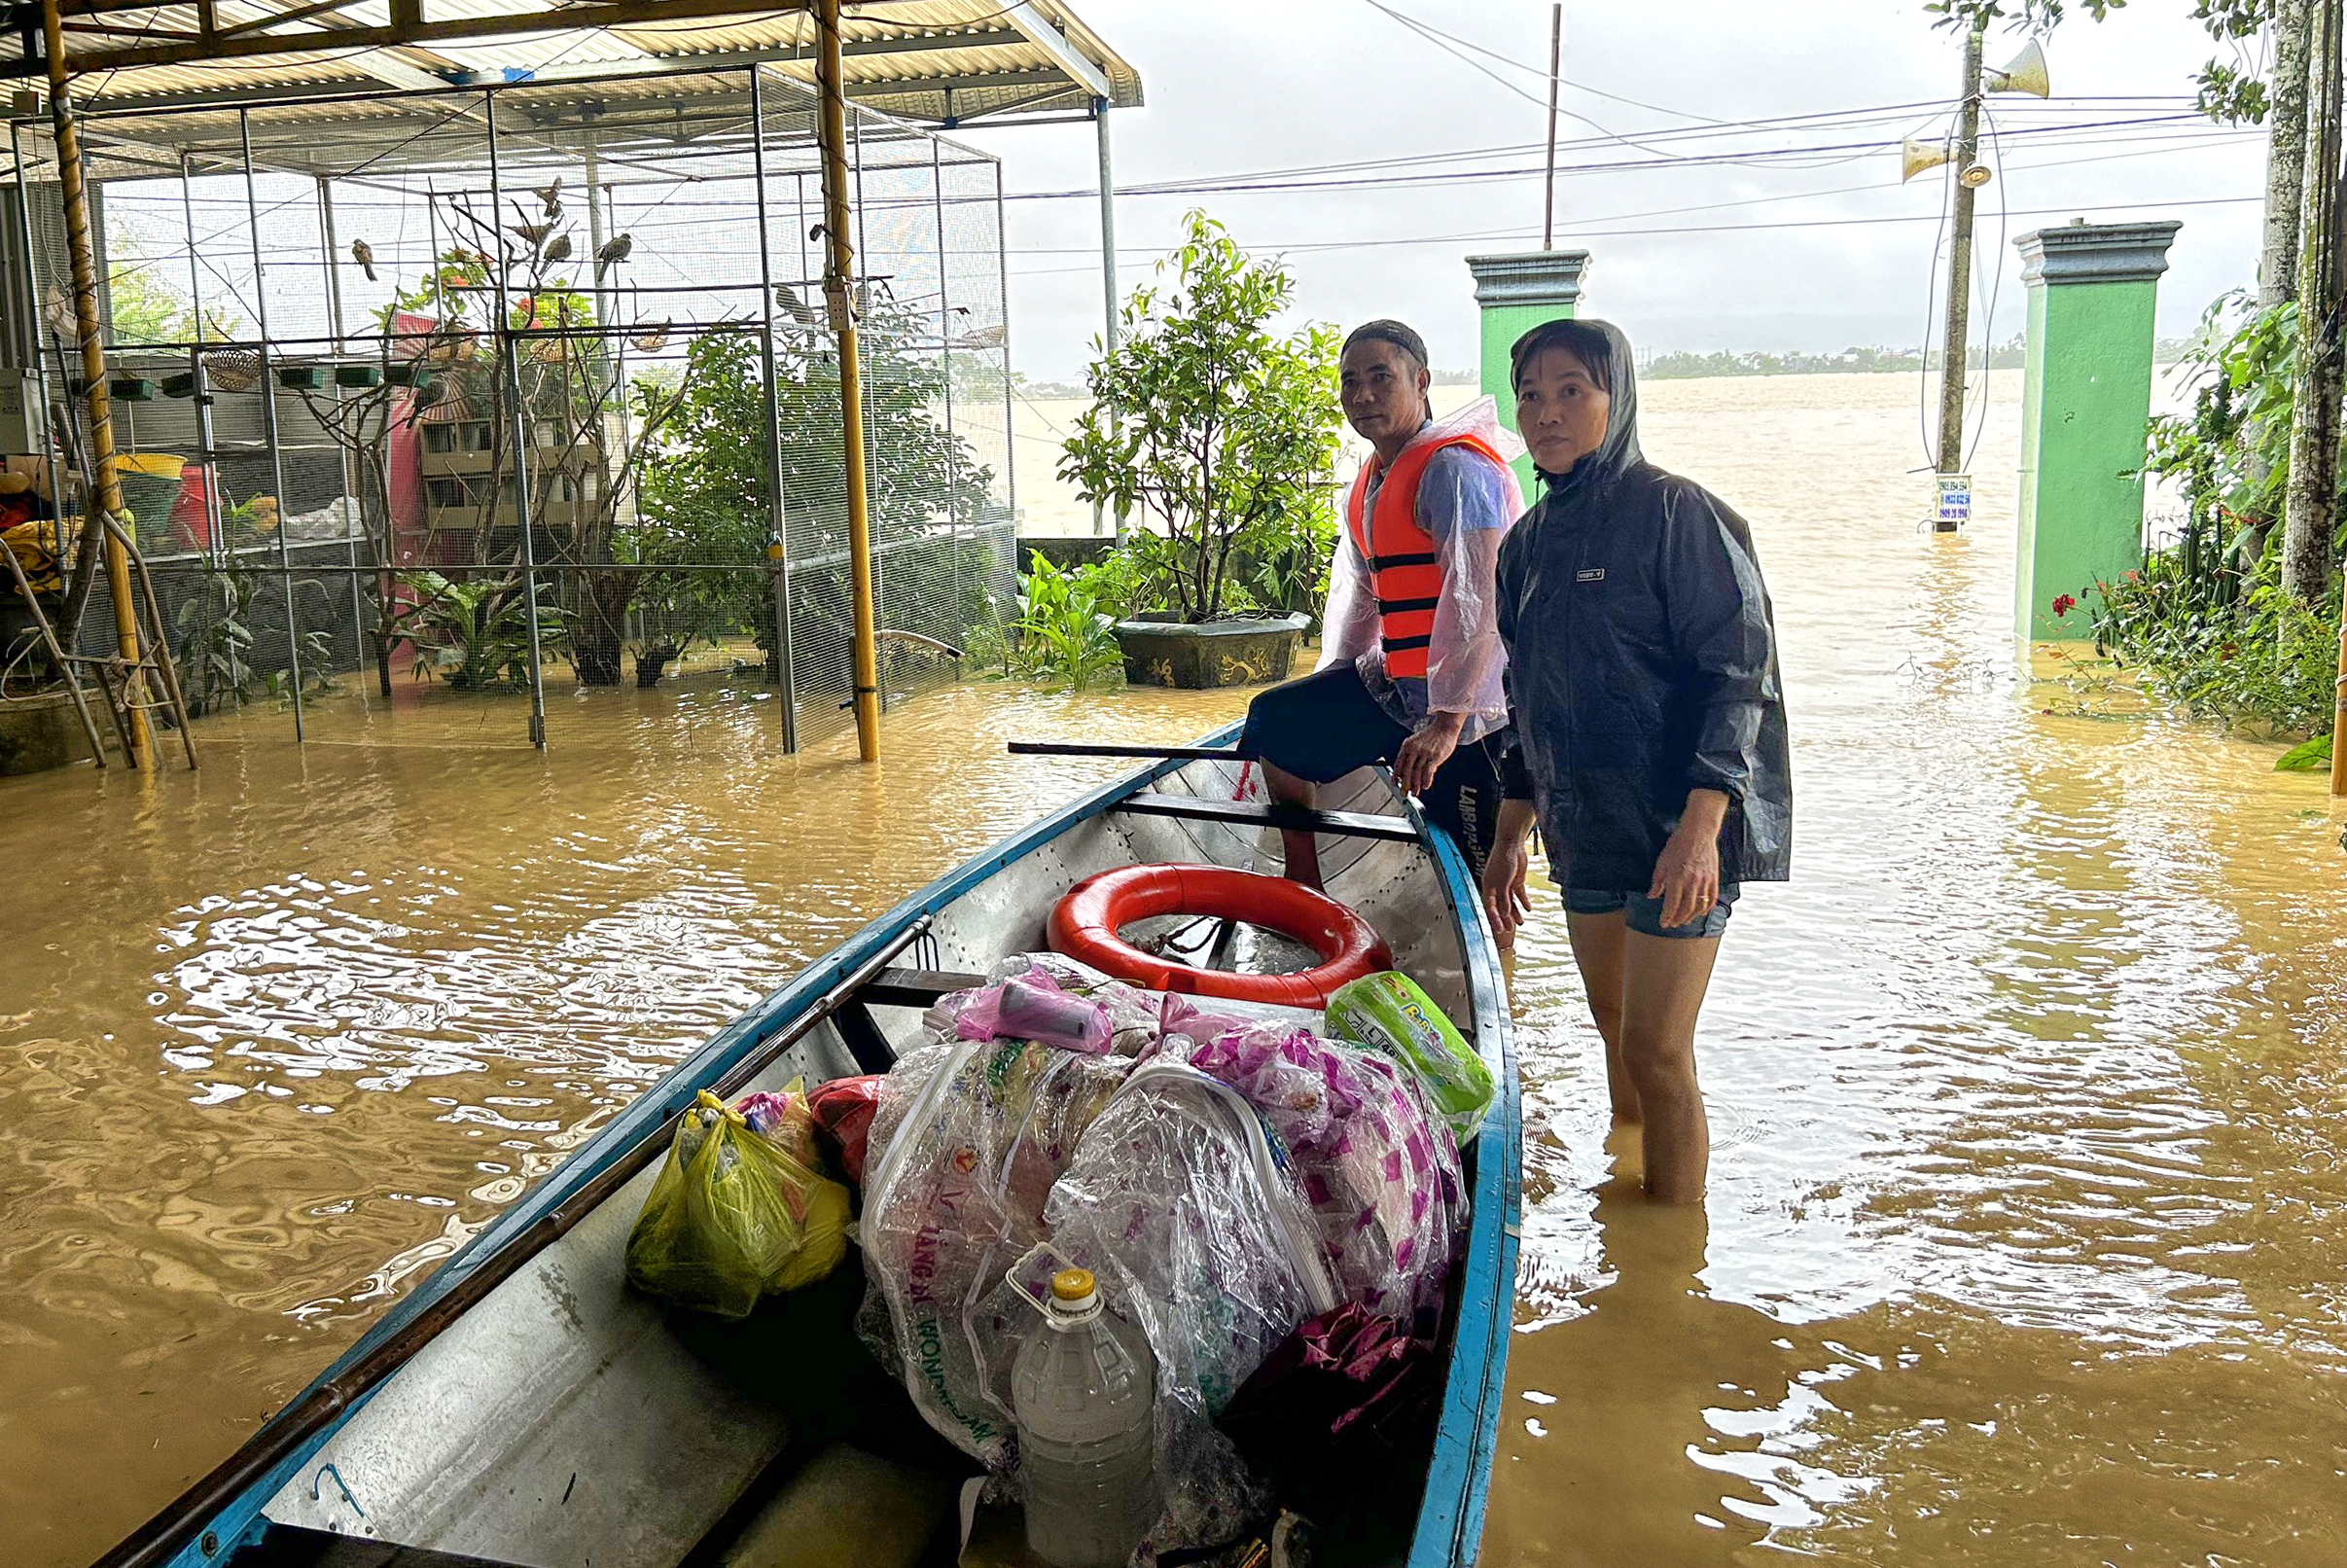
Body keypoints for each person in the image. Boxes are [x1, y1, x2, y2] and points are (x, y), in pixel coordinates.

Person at [1481, 317, 1791, 1203]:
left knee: (1658, 1049)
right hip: (1584, 824)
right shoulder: (1526, 547)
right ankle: (1627, 1199)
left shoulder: (1677, 513)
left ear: (1614, 401)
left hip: (1677, 823)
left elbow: (1739, 677)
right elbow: (1524, 700)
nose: (1546, 413)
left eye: (1571, 390)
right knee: (1613, 1026)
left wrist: (1700, 833)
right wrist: (1510, 838)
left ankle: (1671, 1262)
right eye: (1531, 395)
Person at [1235, 318, 1524, 889]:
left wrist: (1446, 723)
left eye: (1379, 378)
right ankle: (1304, 885)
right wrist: (1336, 679)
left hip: (1477, 715)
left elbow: (1480, 604)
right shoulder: (1371, 480)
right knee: (1277, 723)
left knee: (1480, 873)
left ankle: (1498, 970)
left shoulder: (1456, 471)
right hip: (1399, 689)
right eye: (1349, 381)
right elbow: (1361, 601)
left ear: (1421, 382)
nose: (1362, 395)